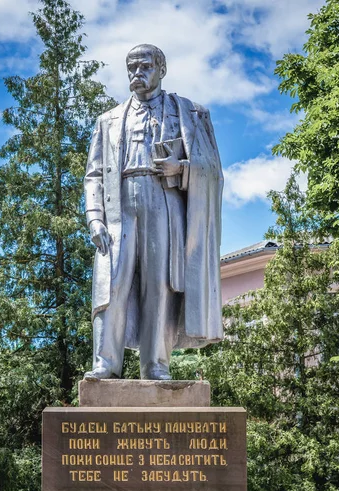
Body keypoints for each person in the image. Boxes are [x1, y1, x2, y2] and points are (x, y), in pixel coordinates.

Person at [84, 43, 223, 381]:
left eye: (144, 66)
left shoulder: (188, 113)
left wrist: (182, 169)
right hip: (120, 205)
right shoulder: (109, 120)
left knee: (158, 284)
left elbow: (213, 171)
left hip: (165, 200)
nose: (136, 74)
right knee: (112, 283)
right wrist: (95, 218)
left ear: (161, 69)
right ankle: (106, 363)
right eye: (131, 68)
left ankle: (156, 364)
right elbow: (94, 175)